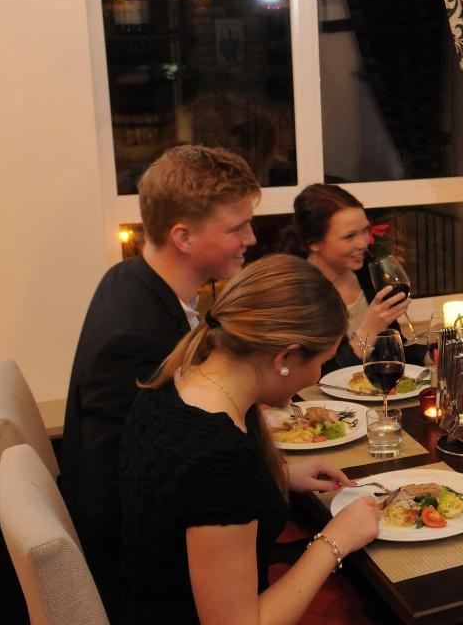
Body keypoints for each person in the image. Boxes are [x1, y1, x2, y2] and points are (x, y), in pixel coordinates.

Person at [120, 254, 380, 624]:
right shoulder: (220, 458)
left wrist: (277, 477)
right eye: (321, 361)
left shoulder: (173, 382)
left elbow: (184, 498)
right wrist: (336, 540)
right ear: (285, 357)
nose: (318, 375)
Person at [59, 145, 260, 617]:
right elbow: (116, 499)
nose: (250, 238)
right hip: (150, 593)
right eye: (236, 228)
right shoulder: (136, 339)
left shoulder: (128, 277)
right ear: (183, 236)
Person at [281, 183, 423, 373]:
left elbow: (392, 350)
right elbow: (320, 375)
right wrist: (370, 328)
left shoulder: (366, 270)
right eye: (349, 236)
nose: (364, 242)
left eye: (365, 230)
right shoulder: (297, 293)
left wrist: (430, 355)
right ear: (314, 243)